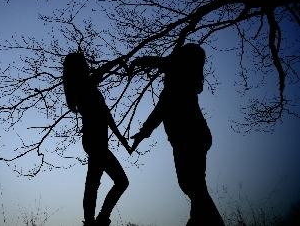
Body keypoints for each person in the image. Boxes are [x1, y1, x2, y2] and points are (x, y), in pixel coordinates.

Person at [129, 43, 225, 226]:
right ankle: (197, 220)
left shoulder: (180, 79)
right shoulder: (183, 79)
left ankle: (206, 221)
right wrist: (143, 133)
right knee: (194, 186)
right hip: (191, 137)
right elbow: (161, 109)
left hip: (189, 138)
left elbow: (161, 109)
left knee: (191, 185)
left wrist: (139, 61)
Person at [63, 52, 130, 226]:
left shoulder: (86, 86)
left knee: (96, 182)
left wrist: (120, 138)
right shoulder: (82, 86)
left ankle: (94, 220)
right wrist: (118, 61)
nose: (86, 66)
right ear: (77, 68)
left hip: (97, 140)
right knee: (114, 182)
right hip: (94, 141)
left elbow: (106, 115)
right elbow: (101, 71)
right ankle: (96, 219)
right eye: (82, 64)